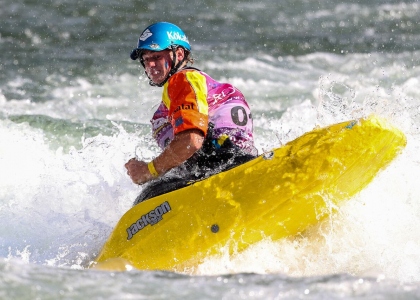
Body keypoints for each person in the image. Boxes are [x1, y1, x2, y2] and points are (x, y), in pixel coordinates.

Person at [125, 22, 258, 204]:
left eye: (156, 56)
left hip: (224, 171)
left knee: (147, 197)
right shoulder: (201, 87)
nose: (151, 65)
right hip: (236, 166)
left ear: (179, 54)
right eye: (146, 59)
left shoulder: (183, 79)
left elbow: (191, 140)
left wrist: (148, 170)